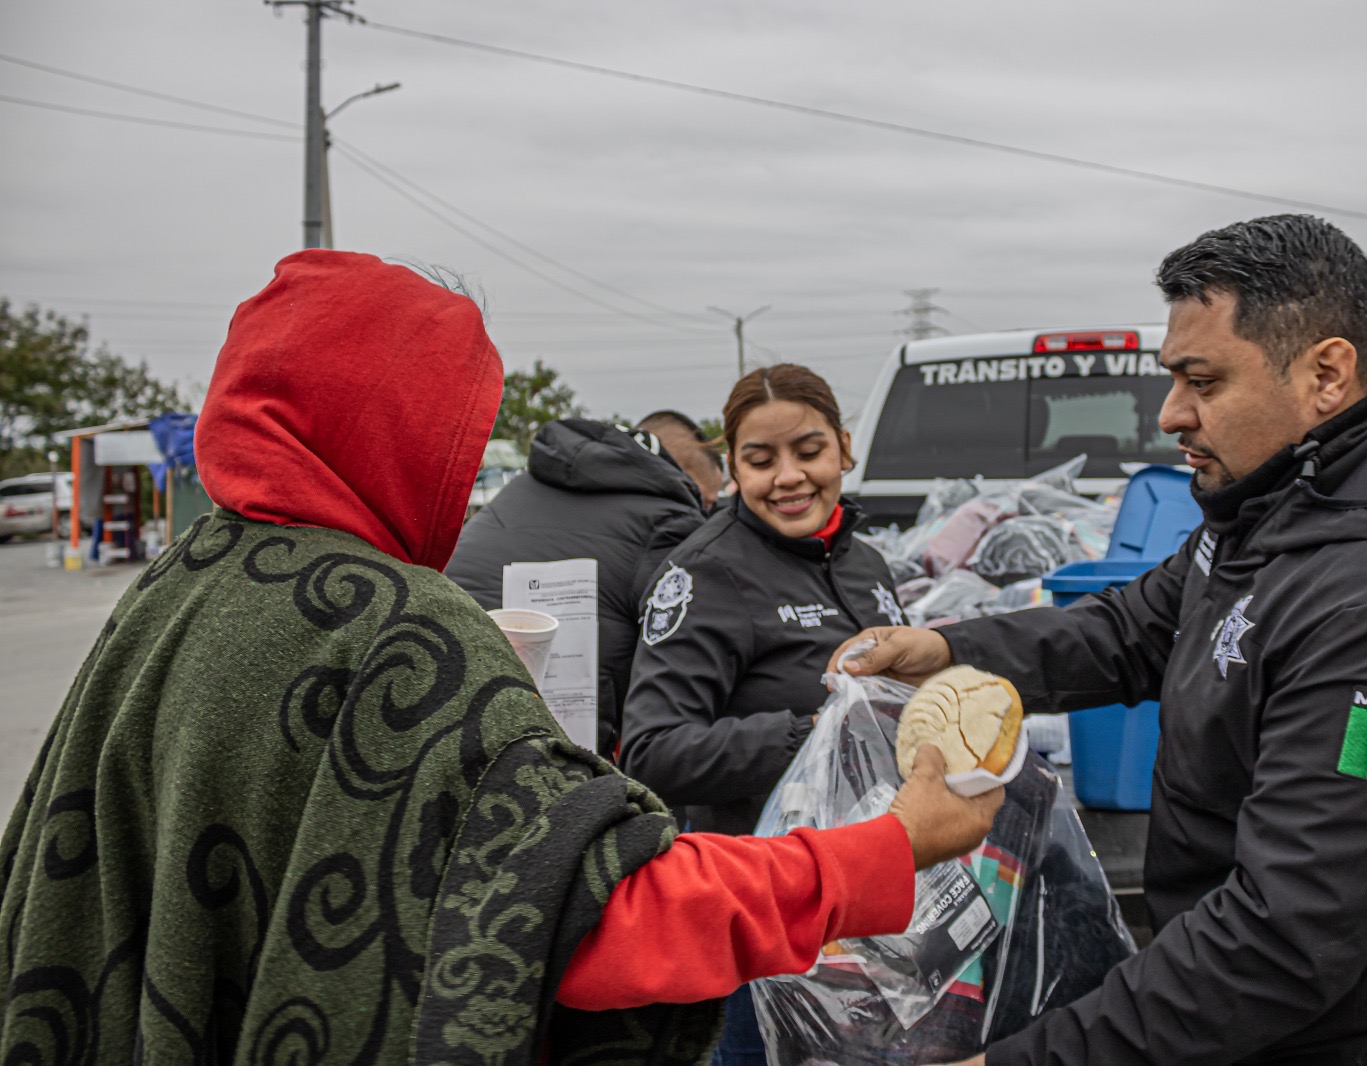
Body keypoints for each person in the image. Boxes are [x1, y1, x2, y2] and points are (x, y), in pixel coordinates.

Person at [0, 251, 1001, 1064]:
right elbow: (601, 910)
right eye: (458, 427)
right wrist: (889, 845)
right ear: (403, 426)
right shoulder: (401, 628)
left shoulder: (184, 582)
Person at [834, 215, 1367, 1064]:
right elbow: (1139, 623)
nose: (1172, 414)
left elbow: (1284, 937)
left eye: (1202, 381)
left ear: (1327, 373)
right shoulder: (1291, 494)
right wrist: (948, 651)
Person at [619, 362, 910, 1064]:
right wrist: (813, 737)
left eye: (808, 452)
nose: (789, 477)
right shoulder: (704, 573)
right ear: (733, 467)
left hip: (870, 902)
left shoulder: (866, 561)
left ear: (844, 447)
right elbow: (653, 751)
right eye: (760, 459)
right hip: (764, 916)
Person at [446, 411, 718, 757]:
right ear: (684, 474)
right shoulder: (673, 517)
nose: (706, 518)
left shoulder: (522, 486)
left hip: (446, 679)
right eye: (707, 501)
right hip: (560, 737)